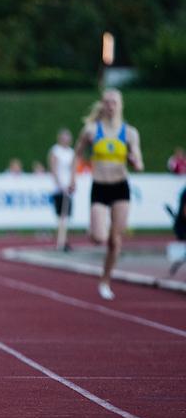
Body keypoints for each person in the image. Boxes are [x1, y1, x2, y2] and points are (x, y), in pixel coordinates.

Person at [72, 87, 144, 300]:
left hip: (120, 187)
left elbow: (139, 164)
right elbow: (77, 155)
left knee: (115, 240)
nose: (110, 106)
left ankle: (105, 280)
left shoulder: (130, 133)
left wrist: (134, 161)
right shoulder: (91, 131)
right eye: (107, 102)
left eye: (114, 102)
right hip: (100, 187)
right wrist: (72, 179)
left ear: (120, 105)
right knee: (98, 237)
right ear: (102, 105)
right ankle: (94, 229)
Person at [48, 128, 76, 252]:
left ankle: (63, 240)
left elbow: (73, 169)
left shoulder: (71, 152)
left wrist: (72, 183)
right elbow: (53, 168)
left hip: (68, 187)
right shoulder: (55, 151)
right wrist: (59, 184)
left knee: (66, 215)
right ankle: (61, 240)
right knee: (61, 215)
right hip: (59, 188)